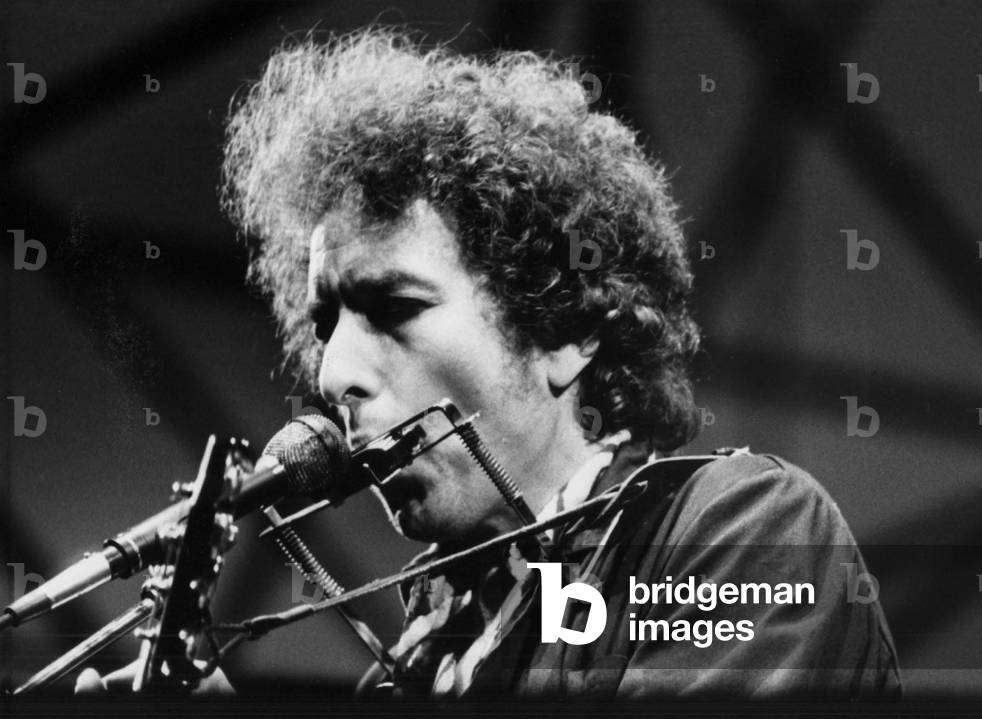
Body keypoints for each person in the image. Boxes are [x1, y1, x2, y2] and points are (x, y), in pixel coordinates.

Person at [83, 27, 902, 699]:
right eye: (325, 322)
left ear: (564, 329)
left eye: (395, 307)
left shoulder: (742, 528)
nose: (332, 375)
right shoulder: (410, 667)